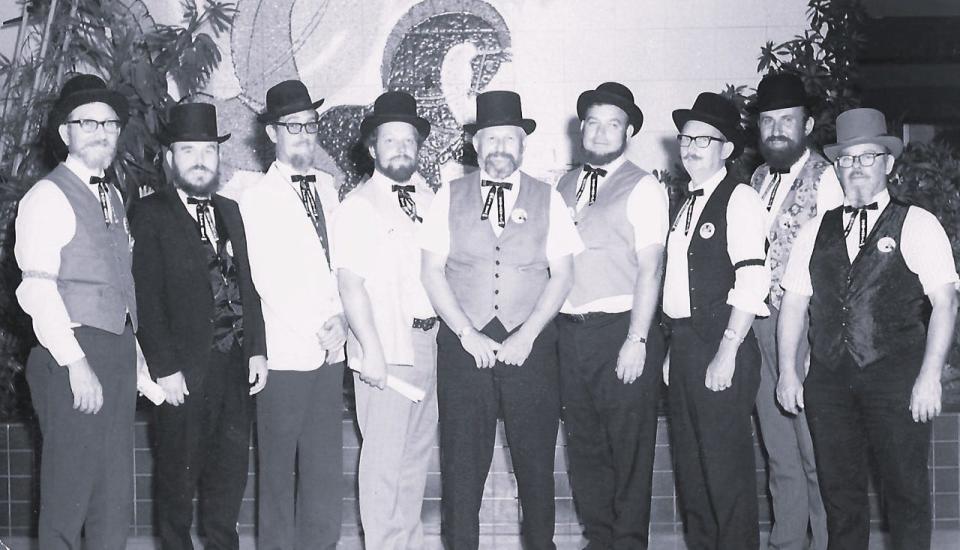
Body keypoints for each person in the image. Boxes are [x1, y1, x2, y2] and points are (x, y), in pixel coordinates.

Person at [777, 107, 959, 550]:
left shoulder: (917, 223)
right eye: (847, 159)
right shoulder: (814, 230)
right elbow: (794, 303)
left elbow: (946, 302)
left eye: (868, 157)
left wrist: (929, 377)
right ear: (837, 167)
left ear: (888, 163)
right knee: (840, 497)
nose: (856, 167)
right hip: (830, 381)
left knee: (906, 494)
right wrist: (787, 370)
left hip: (895, 378)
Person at [419, 90, 583, 550]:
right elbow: (431, 271)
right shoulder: (445, 198)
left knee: (534, 468)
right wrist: (466, 333)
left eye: (509, 139)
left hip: (529, 349)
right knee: (462, 469)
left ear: (523, 144)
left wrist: (527, 335)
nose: (499, 148)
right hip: (463, 348)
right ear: (476, 144)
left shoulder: (549, 199)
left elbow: (563, 274)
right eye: (491, 138)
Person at [130, 102, 267, 550]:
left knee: (228, 484)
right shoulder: (151, 213)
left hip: (233, 371)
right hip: (183, 375)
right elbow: (145, 299)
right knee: (177, 487)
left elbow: (249, 285)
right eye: (188, 150)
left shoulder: (231, 210)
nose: (200, 159)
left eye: (208, 149)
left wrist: (257, 350)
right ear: (170, 158)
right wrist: (163, 367)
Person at [15, 74, 138, 550]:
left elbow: (120, 287)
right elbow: (37, 290)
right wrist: (76, 362)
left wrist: (138, 363)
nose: (102, 132)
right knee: (68, 501)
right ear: (64, 133)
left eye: (110, 123)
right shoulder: (46, 196)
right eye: (88, 122)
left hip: (114, 353)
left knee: (111, 500)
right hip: (71, 353)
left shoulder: (112, 197)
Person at [554, 82, 668, 549]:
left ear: (629, 132)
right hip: (570, 333)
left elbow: (652, 266)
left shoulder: (643, 186)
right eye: (594, 122)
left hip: (621, 329)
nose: (601, 133)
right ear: (582, 128)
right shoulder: (563, 184)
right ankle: (598, 540)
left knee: (629, 451)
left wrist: (637, 339)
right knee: (585, 449)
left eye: (613, 124)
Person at [239, 79, 346, 550]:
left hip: (331, 350)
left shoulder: (328, 186)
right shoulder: (255, 199)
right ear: (271, 134)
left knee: (324, 468)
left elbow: (340, 261)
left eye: (310, 124)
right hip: (286, 354)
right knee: (278, 473)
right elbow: (267, 278)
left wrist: (341, 320)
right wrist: (315, 328)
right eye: (292, 126)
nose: (304, 134)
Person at [662, 92, 770, 549]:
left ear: (727, 149)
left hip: (723, 344)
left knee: (724, 471)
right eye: (687, 138)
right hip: (686, 346)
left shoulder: (740, 197)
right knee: (692, 470)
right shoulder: (686, 202)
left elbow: (752, 278)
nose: (690, 147)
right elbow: (678, 285)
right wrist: (674, 349)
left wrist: (726, 352)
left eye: (704, 140)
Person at [331, 91, 437, 550]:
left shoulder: (428, 198)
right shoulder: (357, 206)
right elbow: (350, 284)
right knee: (383, 465)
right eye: (390, 140)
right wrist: (369, 349)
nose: (400, 148)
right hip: (386, 350)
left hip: (427, 344)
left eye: (408, 139)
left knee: (414, 461)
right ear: (372, 148)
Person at [748, 73, 841, 550]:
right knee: (778, 451)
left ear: (806, 124)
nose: (777, 129)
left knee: (814, 450)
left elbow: (835, 268)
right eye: (768, 121)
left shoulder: (827, 179)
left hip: (805, 330)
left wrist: (818, 343)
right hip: (760, 327)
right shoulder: (758, 178)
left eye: (787, 119)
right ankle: (786, 542)